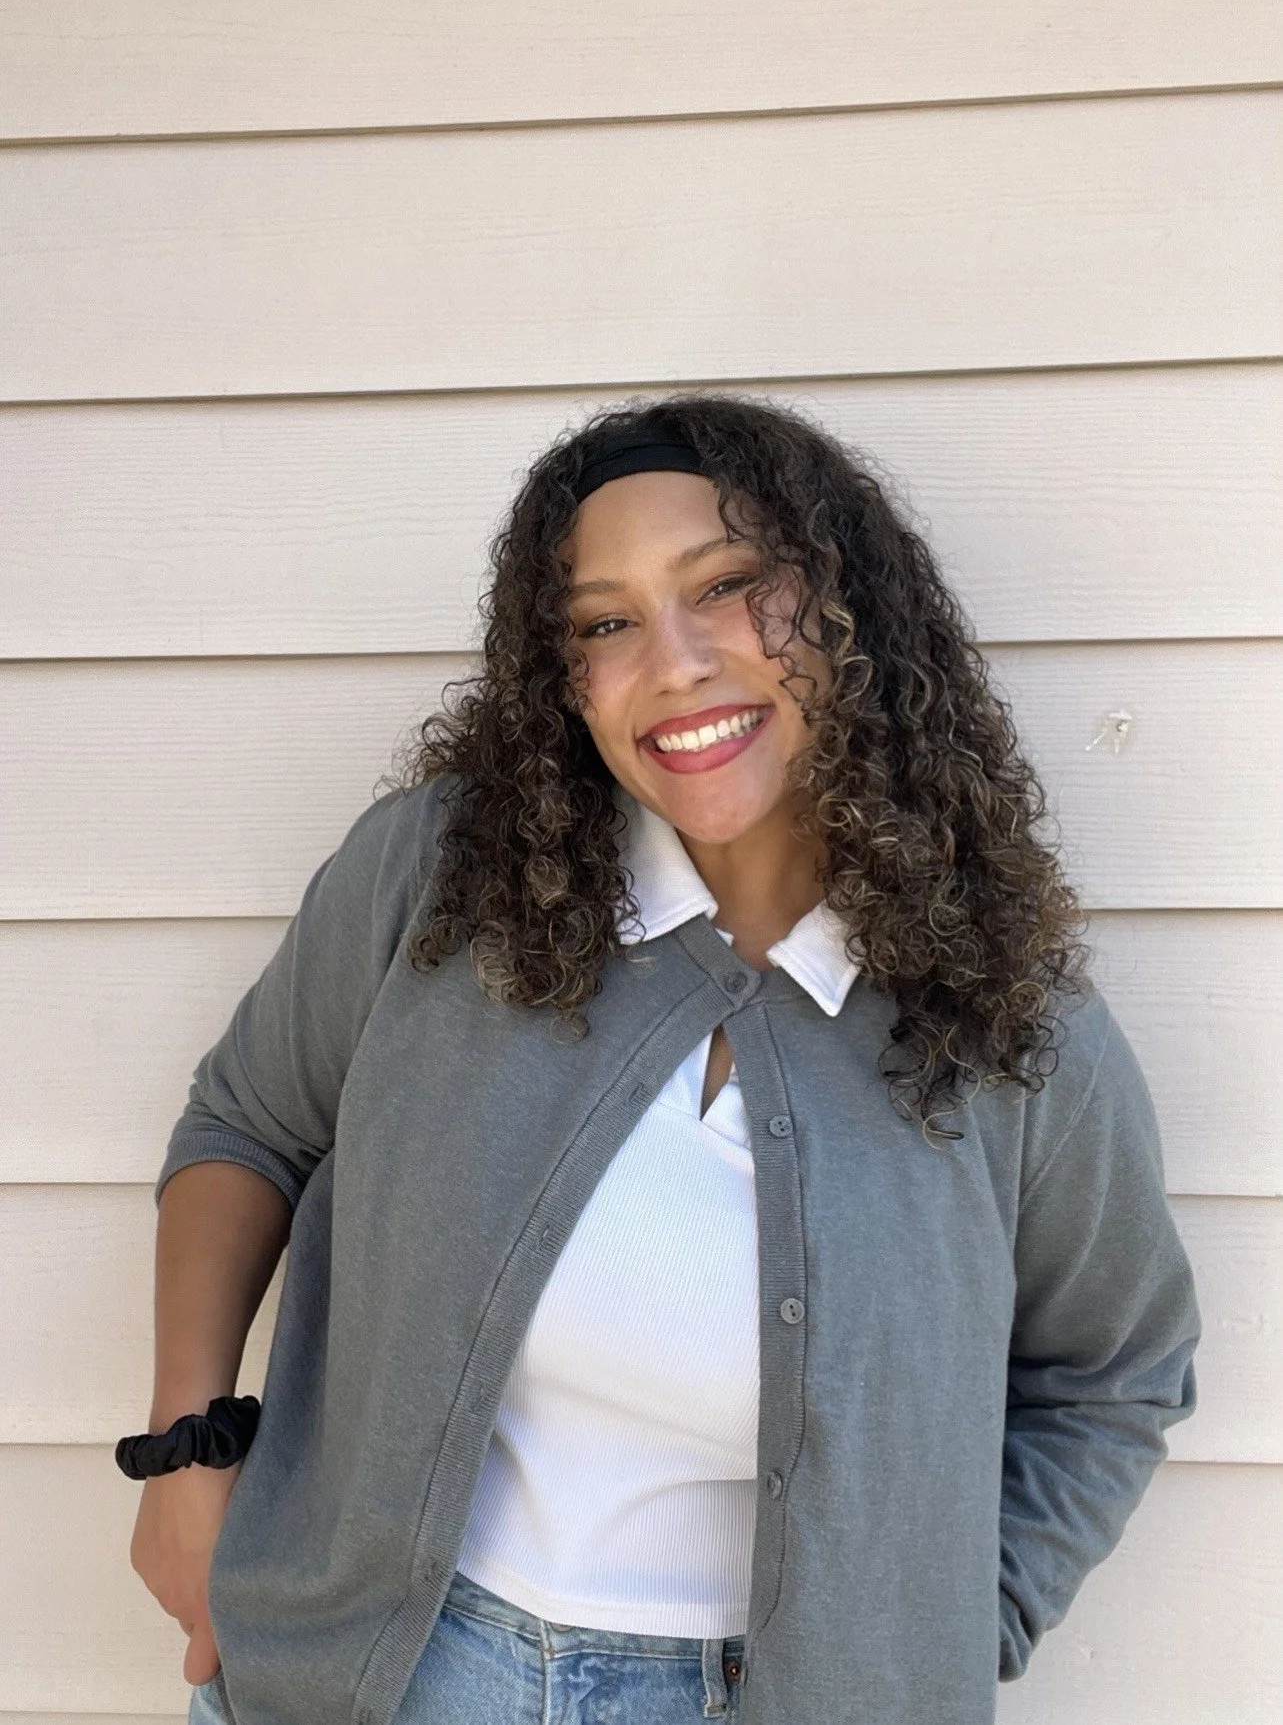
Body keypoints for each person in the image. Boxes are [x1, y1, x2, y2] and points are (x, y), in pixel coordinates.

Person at [122, 392, 1200, 1725]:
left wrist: (934, 1626)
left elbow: (1115, 1369)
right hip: (380, 1673)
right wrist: (183, 1448)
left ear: (847, 612)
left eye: (729, 585)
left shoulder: (1003, 1022)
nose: (673, 661)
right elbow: (246, 1124)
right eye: (603, 623)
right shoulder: (438, 881)